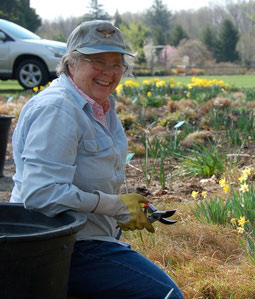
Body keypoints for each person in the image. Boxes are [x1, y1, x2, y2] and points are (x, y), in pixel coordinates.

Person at [10, 20, 183, 299]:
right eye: (97, 61)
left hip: (82, 237)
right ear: (71, 63)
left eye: (117, 64)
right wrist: (114, 206)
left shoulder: (97, 104)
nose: (109, 72)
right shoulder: (59, 110)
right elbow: (41, 193)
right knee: (165, 295)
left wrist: (120, 210)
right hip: (59, 246)